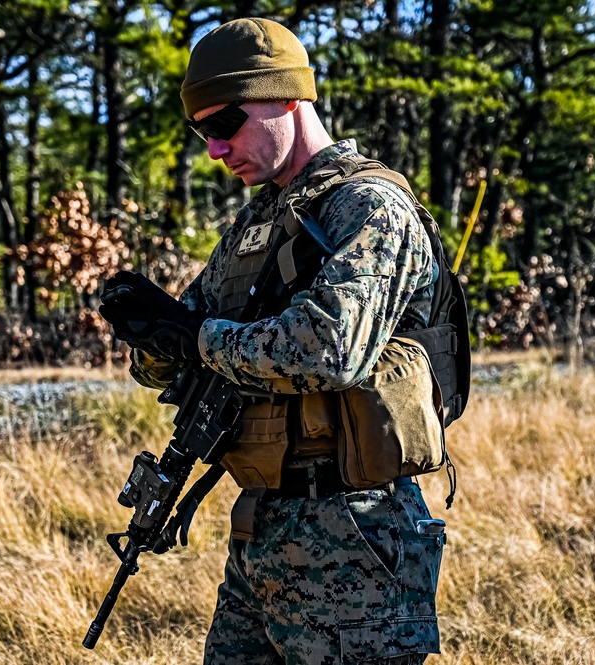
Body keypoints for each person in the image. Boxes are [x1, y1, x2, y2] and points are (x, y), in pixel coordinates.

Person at [100, 17, 448, 665]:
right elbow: (187, 346)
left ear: (287, 96)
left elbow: (331, 347)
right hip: (262, 529)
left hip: (356, 537)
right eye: (201, 130)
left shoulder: (369, 207)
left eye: (225, 123)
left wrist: (193, 334)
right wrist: (150, 330)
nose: (213, 148)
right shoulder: (259, 224)